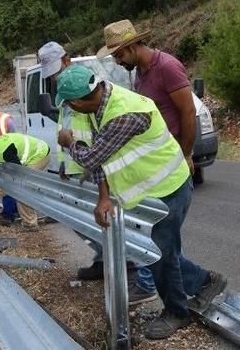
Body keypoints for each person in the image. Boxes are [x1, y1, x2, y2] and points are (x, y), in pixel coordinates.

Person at [56, 65, 226, 340]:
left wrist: (68, 142)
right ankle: (206, 282)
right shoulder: (95, 108)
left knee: (159, 253)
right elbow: (100, 158)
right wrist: (103, 197)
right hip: (147, 194)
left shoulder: (125, 113)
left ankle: (177, 312)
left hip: (169, 187)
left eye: (68, 104)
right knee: (158, 252)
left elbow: (91, 157)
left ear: (76, 102)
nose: (68, 109)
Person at [38, 41, 159, 305]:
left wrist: (88, 168)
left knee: (125, 225)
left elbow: (94, 145)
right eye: (51, 75)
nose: (55, 77)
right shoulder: (67, 92)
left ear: (66, 60)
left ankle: (134, 268)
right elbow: (65, 128)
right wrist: (65, 163)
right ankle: (105, 260)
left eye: (56, 70)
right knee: (82, 222)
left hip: (94, 165)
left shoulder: (86, 89)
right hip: (80, 165)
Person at [98, 19, 197, 176]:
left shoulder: (167, 66)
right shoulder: (139, 70)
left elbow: (189, 111)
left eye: (119, 55)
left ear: (132, 47)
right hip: (156, 154)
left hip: (174, 153)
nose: (117, 62)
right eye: (114, 57)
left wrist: (186, 154)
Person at [0, 132, 50, 229]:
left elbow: (18, 174)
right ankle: (49, 211)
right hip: (37, 149)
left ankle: (30, 224)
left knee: (22, 188)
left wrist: (3, 187)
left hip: (40, 154)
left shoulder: (6, 152)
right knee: (24, 186)